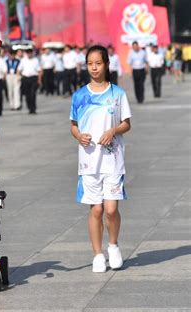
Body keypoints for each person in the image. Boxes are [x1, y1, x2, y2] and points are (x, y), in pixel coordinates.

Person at [70, 45, 131, 273]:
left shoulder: (117, 94)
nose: (94, 68)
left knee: (111, 209)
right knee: (96, 210)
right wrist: (79, 136)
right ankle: (97, 254)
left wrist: (113, 131)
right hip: (88, 161)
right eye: (90, 64)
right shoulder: (79, 96)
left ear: (106, 64)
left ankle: (113, 245)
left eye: (98, 63)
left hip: (113, 159)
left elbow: (127, 123)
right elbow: (73, 126)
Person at [18, 48, 42, 114]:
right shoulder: (23, 60)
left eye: (30, 53)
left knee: (33, 93)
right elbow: (19, 69)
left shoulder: (35, 60)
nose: (29, 54)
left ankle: (33, 108)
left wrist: (39, 80)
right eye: (28, 53)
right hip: (25, 78)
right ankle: (29, 108)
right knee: (27, 95)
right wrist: (19, 77)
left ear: (32, 53)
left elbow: (39, 71)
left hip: (33, 78)